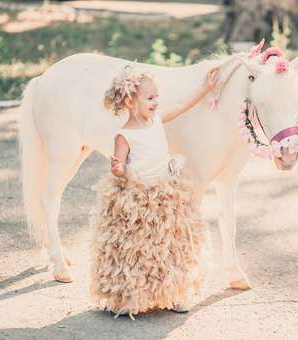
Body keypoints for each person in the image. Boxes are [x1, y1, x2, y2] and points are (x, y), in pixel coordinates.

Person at [89, 65, 219, 318]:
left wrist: (205, 88)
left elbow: (182, 105)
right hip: (137, 199)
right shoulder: (124, 135)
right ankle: (127, 297)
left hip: (166, 195)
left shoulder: (157, 120)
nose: (156, 102)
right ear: (129, 101)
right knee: (135, 251)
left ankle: (175, 293)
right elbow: (119, 166)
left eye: (157, 96)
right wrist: (117, 168)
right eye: (150, 98)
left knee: (171, 246)